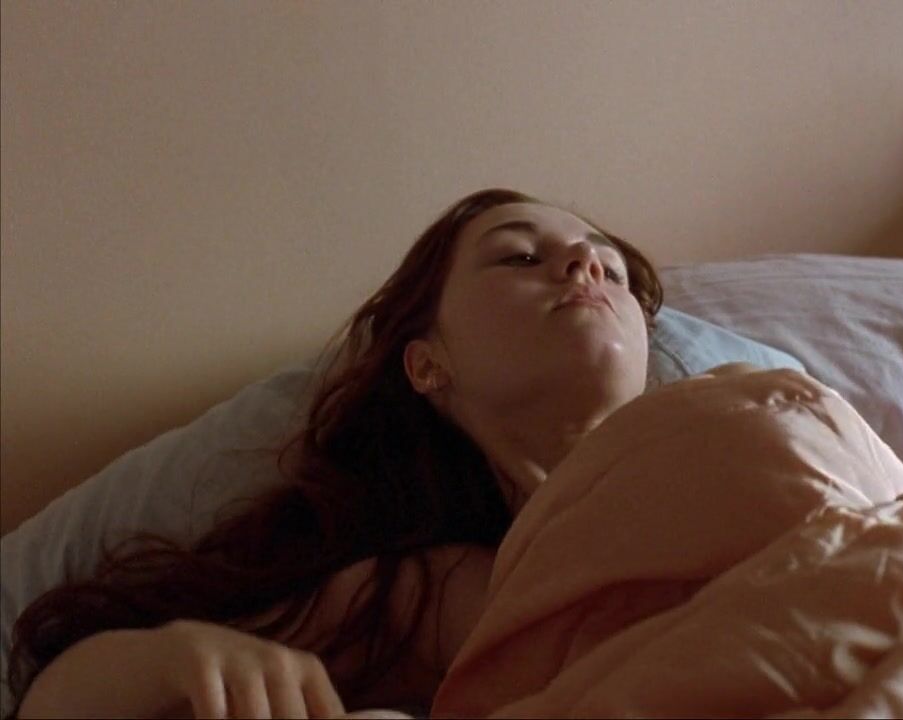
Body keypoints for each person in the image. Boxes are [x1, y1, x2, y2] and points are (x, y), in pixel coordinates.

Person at [7, 188, 664, 718]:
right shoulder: (429, 594)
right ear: (428, 365)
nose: (585, 263)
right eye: (519, 257)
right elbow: (56, 702)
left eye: (613, 270)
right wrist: (172, 659)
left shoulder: (721, 415)